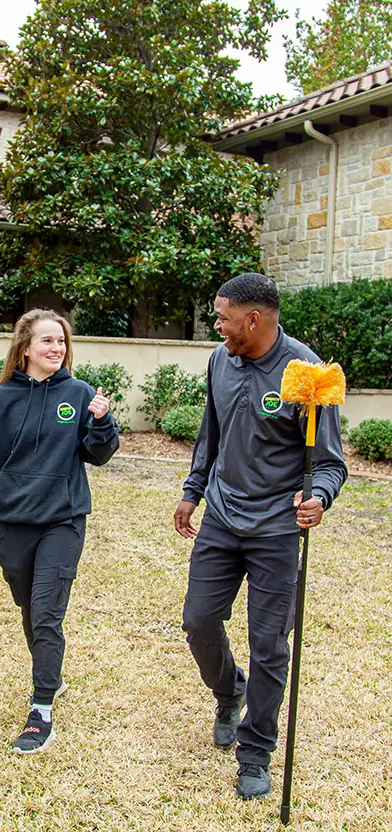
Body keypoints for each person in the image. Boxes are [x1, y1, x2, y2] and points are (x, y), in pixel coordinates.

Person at [174, 273, 347, 799]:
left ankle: (256, 750)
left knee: (270, 644)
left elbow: (330, 463)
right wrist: (192, 489)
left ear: (254, 319)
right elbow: (212, 431)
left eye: (224, 318)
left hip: (276, 528)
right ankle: (230, 692)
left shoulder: (308, 374)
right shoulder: (219, 361)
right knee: (199, 621)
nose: (218, 327)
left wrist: (318, 496)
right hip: (223, 517)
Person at [0, 308, 119, 754]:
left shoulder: (80, 392)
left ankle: (41, 708)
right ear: (25, 347)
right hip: (13, 522)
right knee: (29, 607)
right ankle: (52, 672)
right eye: (48, 341)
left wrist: (103, 421)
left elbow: (98, 453)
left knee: (48, 611)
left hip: (63, 520)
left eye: (62, 341)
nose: (57, 348)